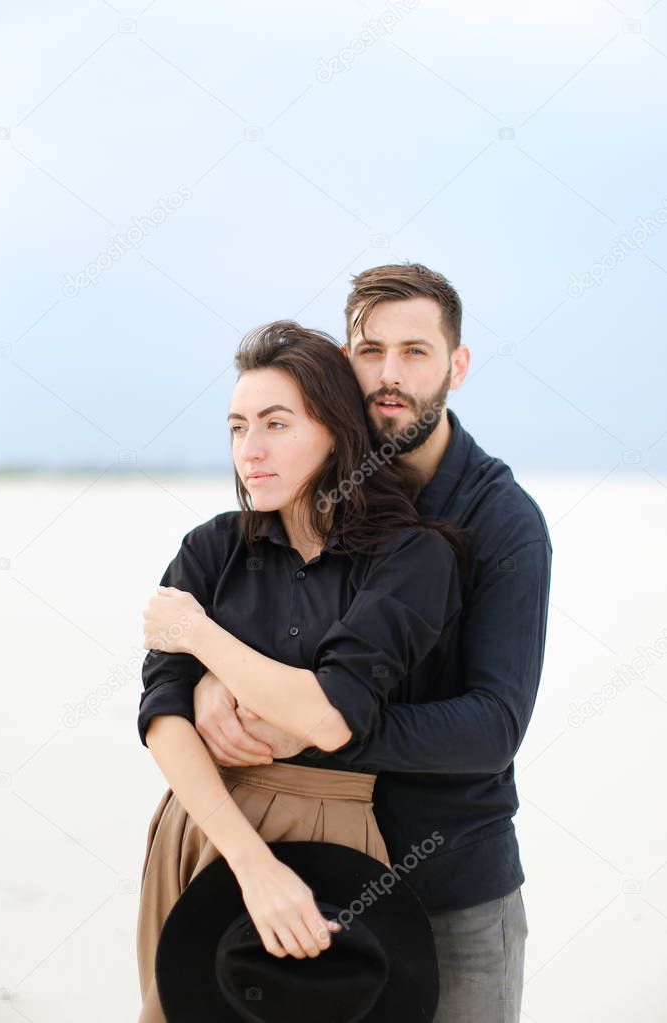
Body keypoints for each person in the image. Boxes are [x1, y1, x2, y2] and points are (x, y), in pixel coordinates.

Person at [193, 263, 553, 1023]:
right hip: (316, 876)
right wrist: (211, 678)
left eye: (416, 352)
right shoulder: (309, 495)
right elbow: (252, 627)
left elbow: (492, 728)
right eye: (370, 350)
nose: (390, 375)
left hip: (454, 889)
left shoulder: (505, 523)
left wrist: (320, 727)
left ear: (457, 364)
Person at [136, 320, 464, 1022]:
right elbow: (162, 716)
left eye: (276, 424)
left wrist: (200, 639)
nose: (248, 451)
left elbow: (325, 714)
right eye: (236, 427)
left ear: (336, 429)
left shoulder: (410, 558)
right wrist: (251, 865)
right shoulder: (213, 546)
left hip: (329, 830)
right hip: (199, 821)